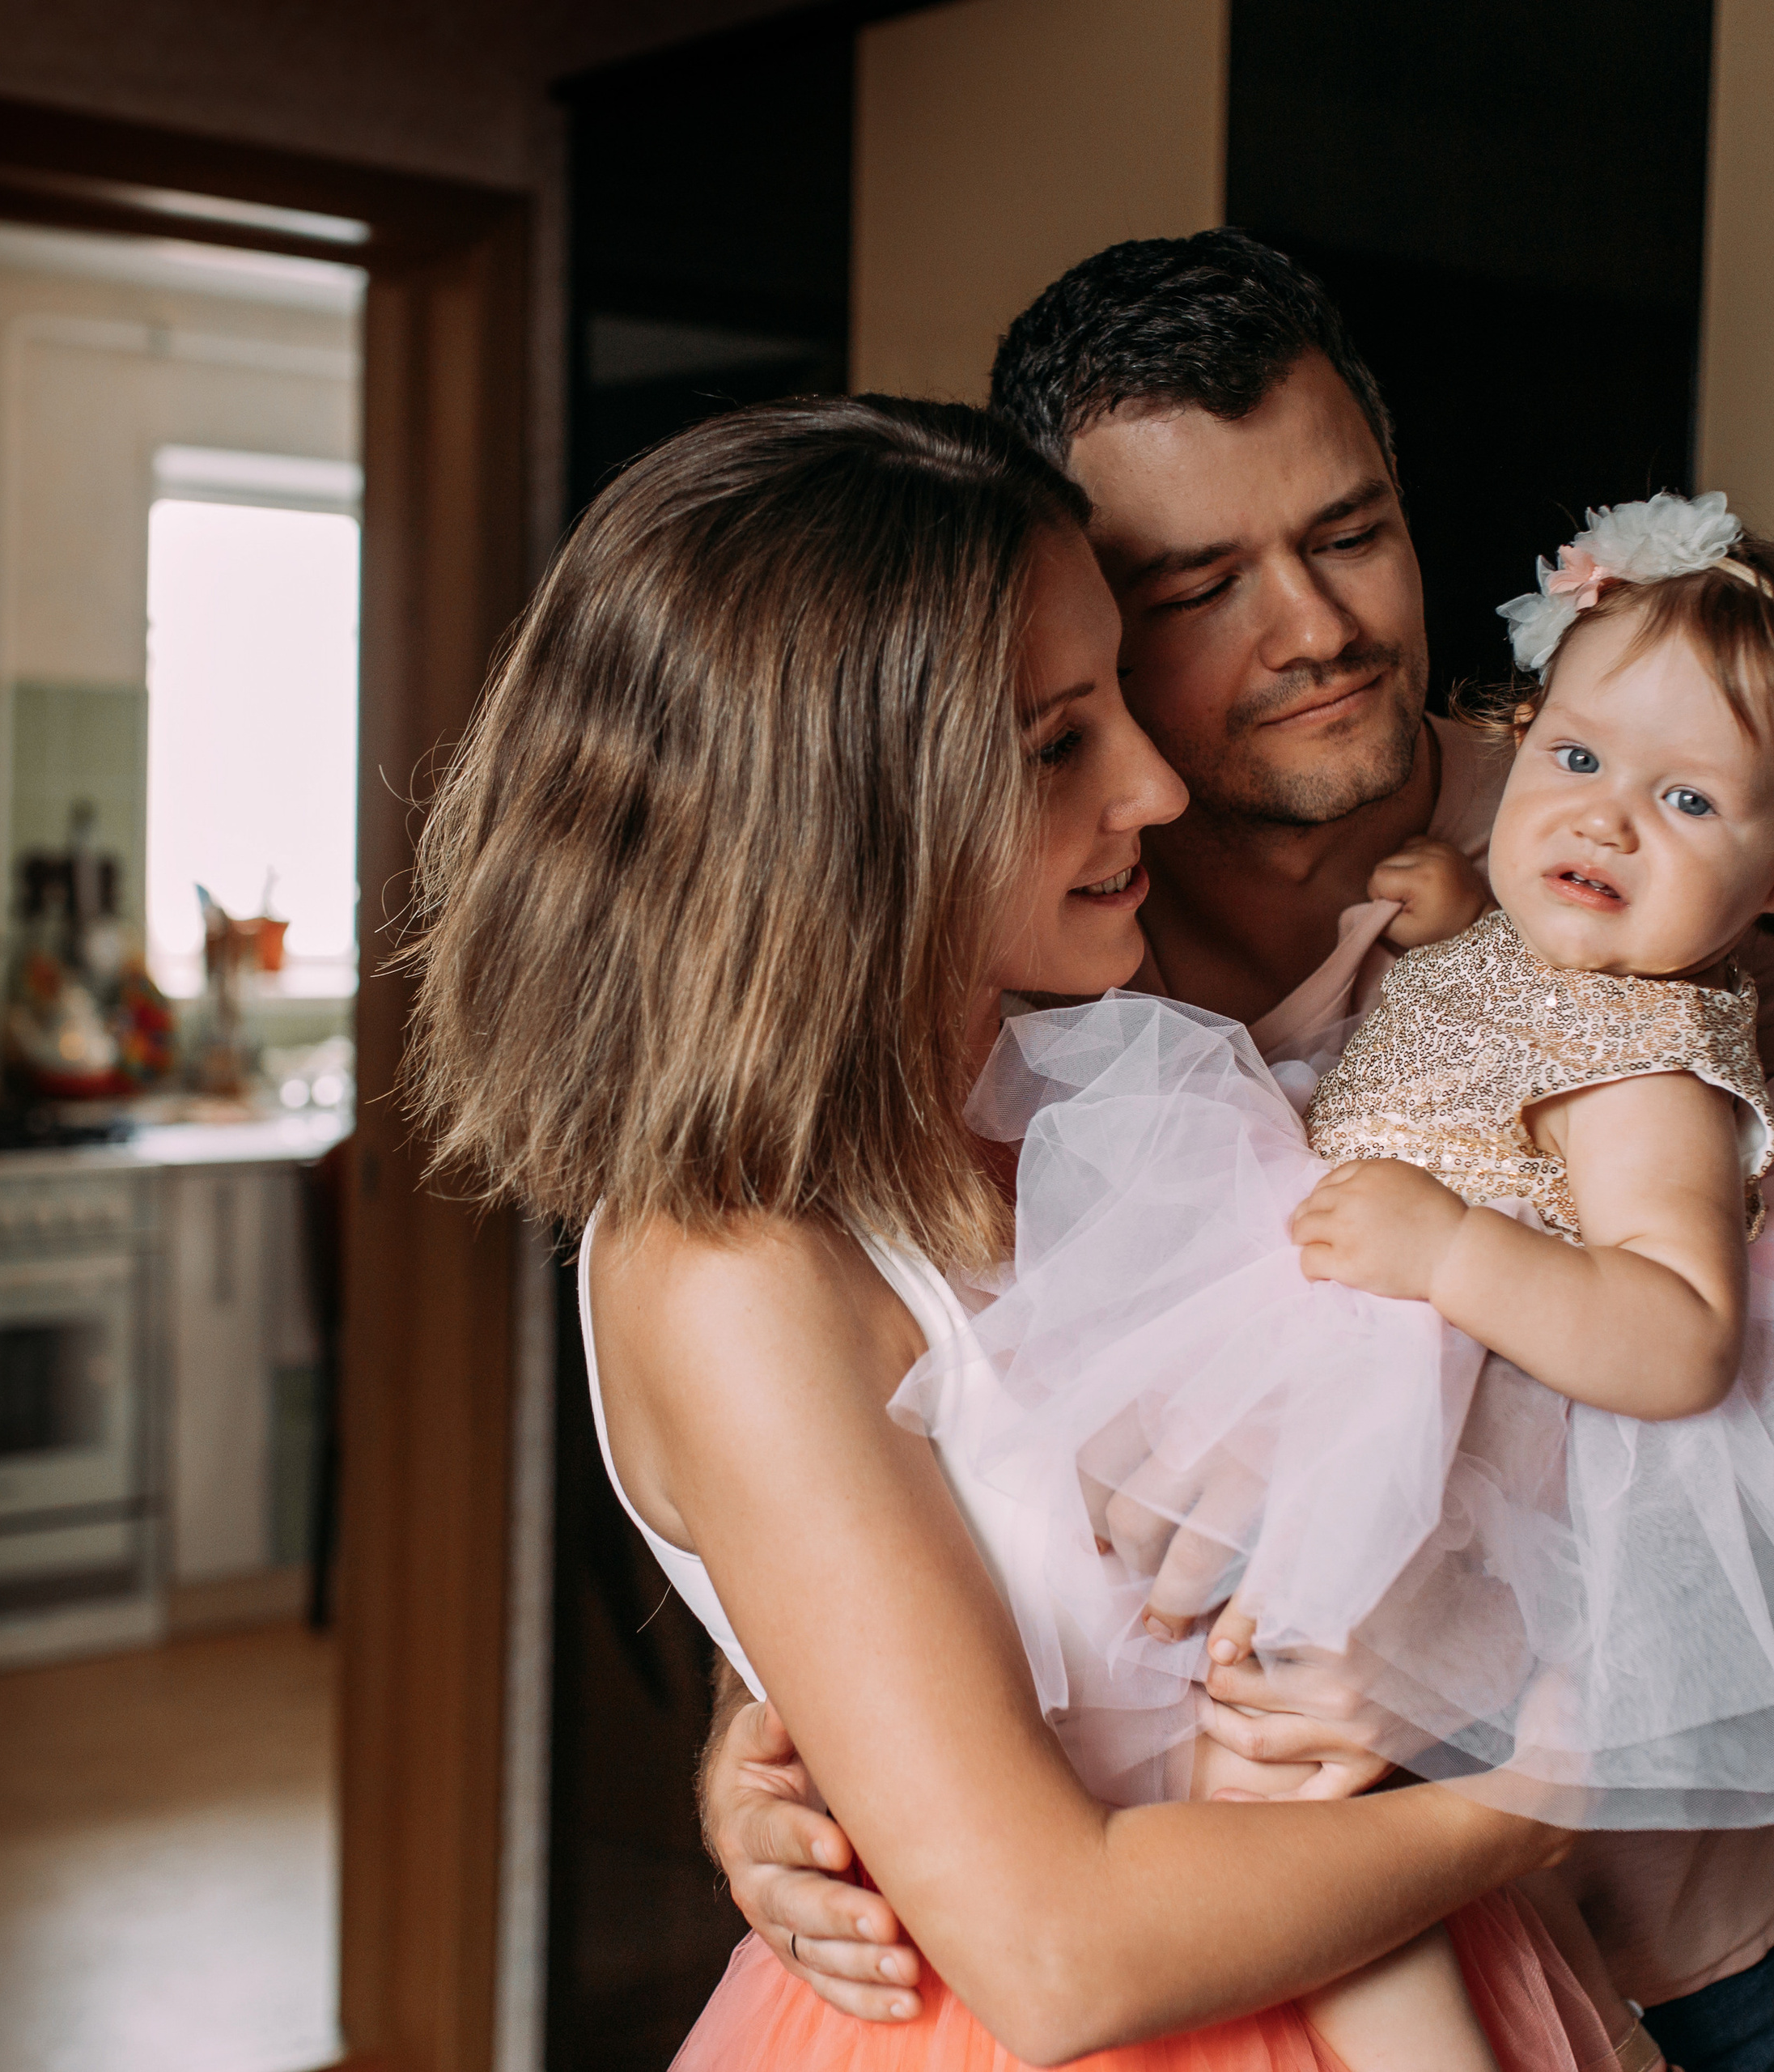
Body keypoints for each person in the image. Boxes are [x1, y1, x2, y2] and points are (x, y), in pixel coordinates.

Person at [705, 235, 1774, 2072]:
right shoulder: (1035, 921)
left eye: (1350, 533)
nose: (1315, 626)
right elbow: (913, 1382)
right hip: (1215, 1936)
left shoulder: (1674, 869)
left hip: (1651, 1934)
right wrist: (770, 1718)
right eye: (1197, 586)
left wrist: (1473, 1682)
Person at [405, 393, 1604, 2067]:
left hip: (1390, 1945)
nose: (1154, 783)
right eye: (1056, 744)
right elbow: (1053, 1955)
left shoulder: (1111, 1074)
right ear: (834, 813)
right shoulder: (733, 1271)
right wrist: (1535, 1797)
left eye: (1118, 697)